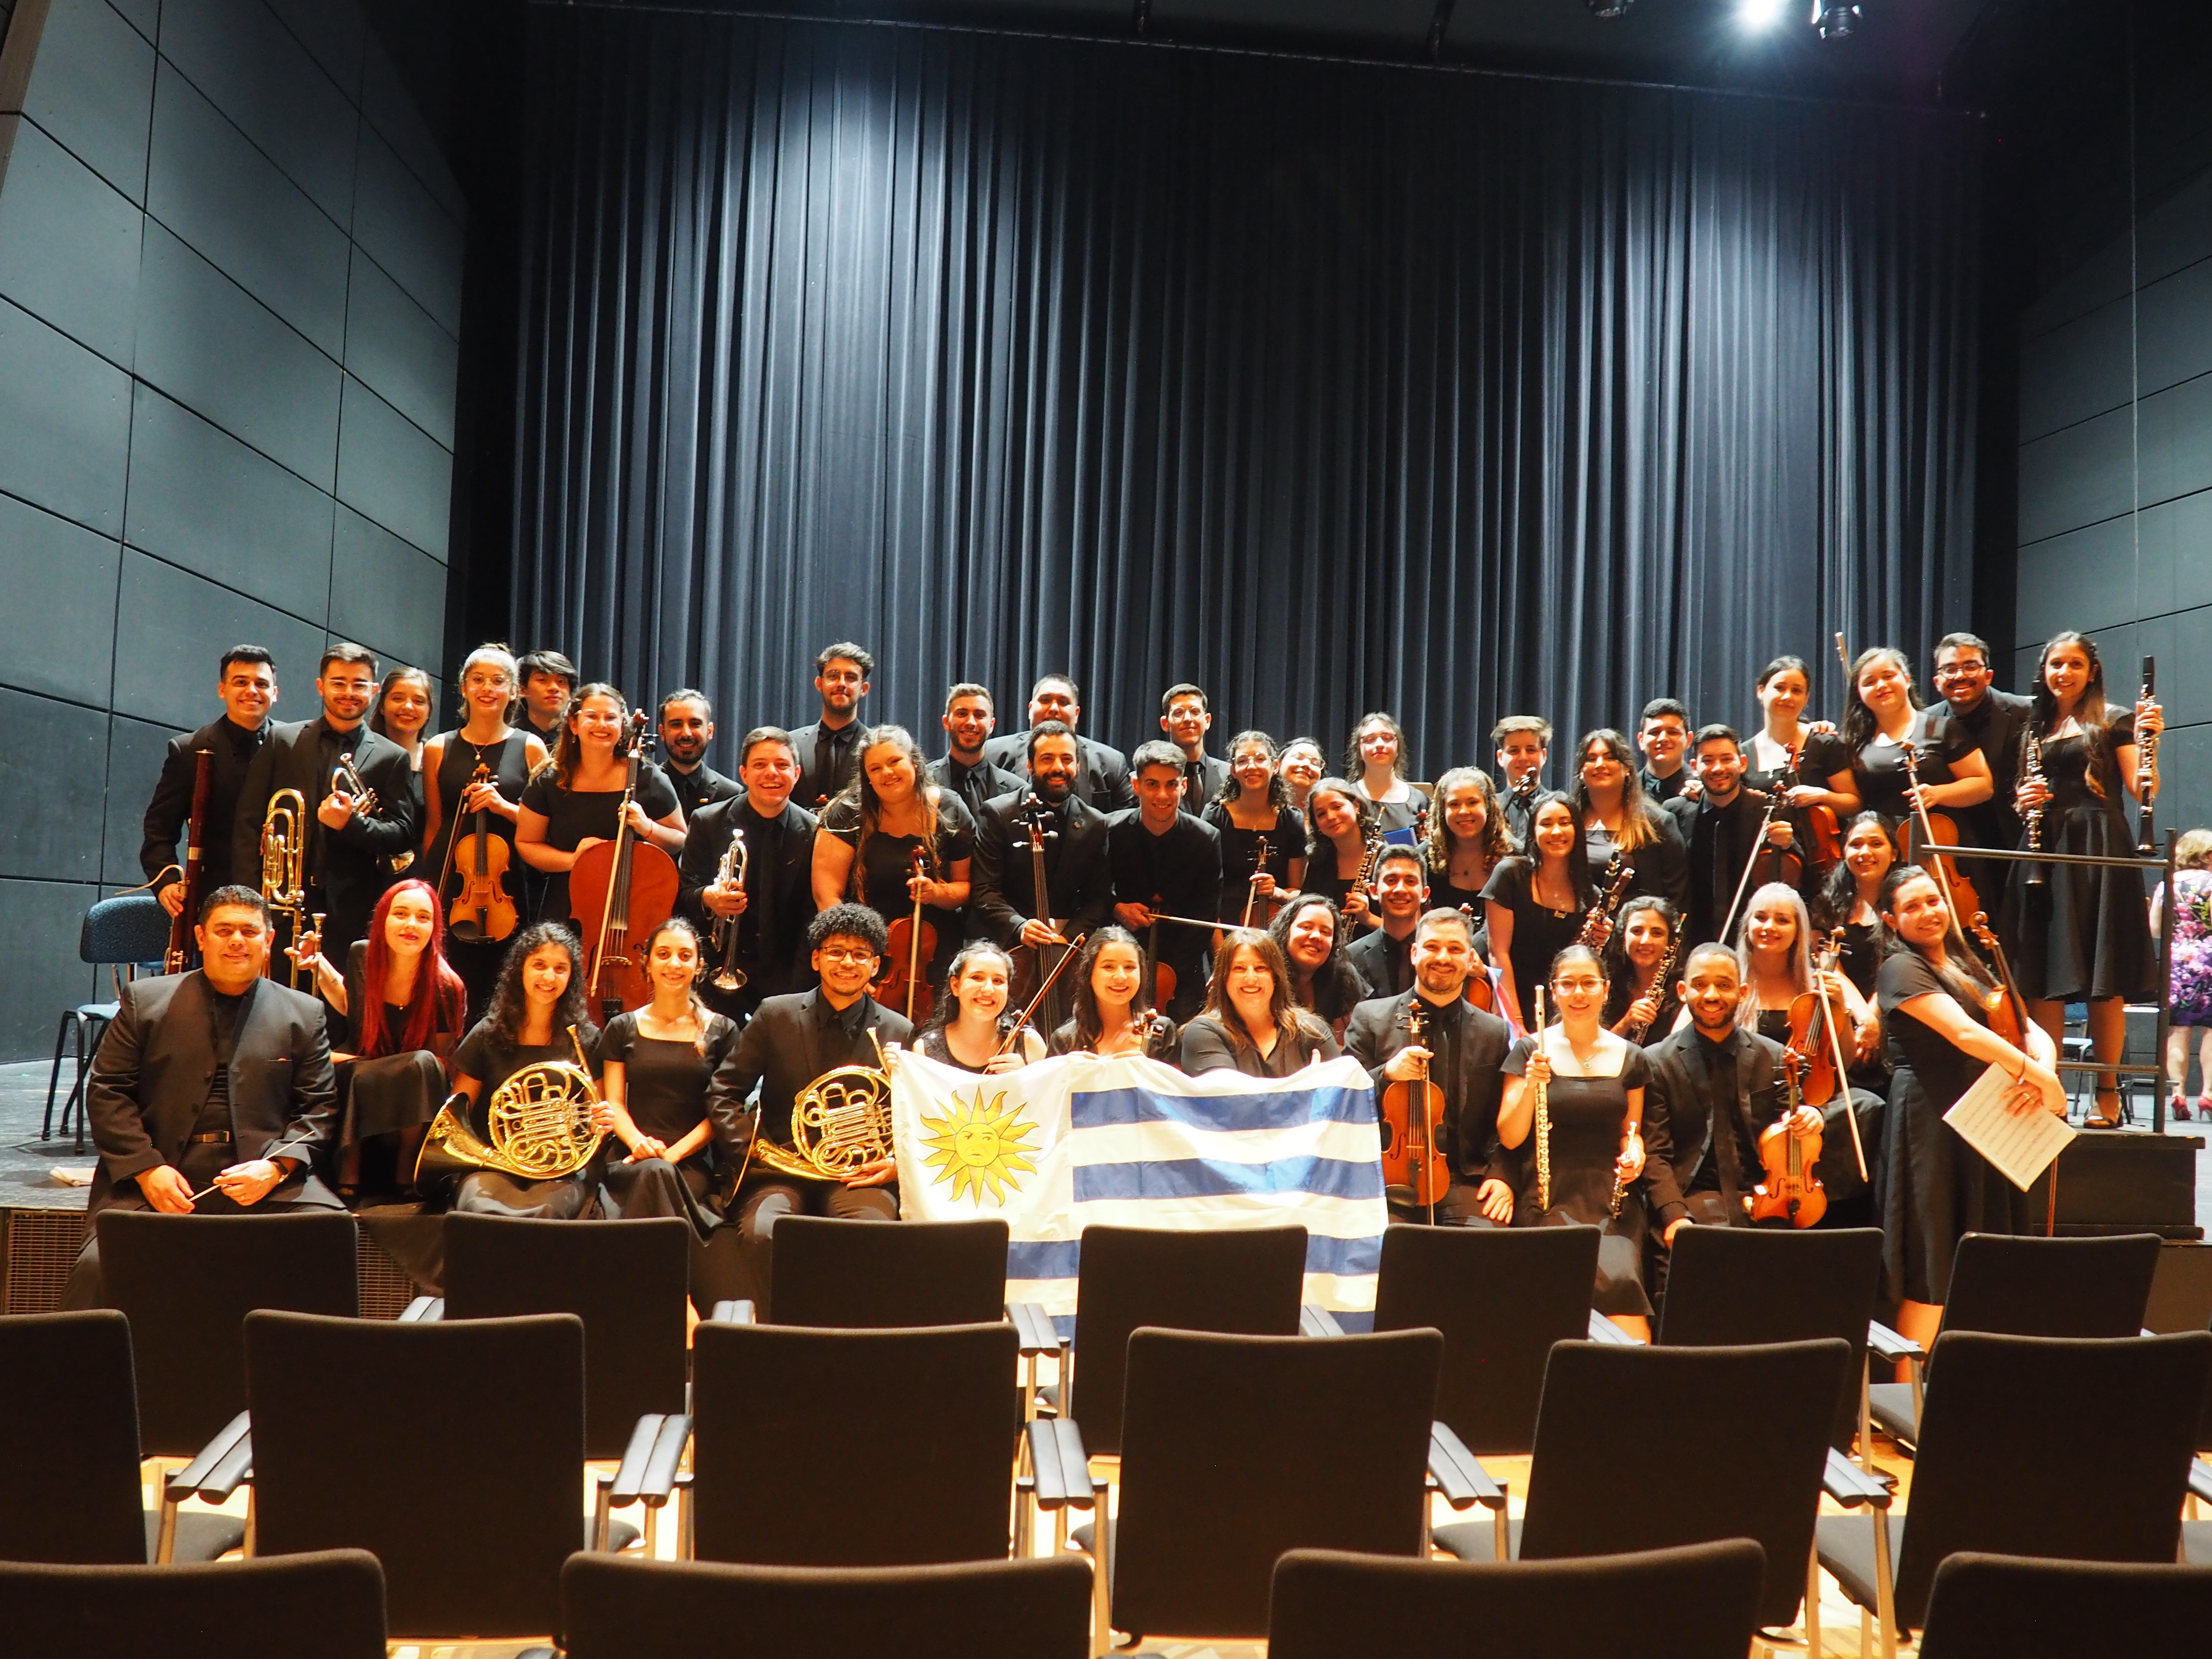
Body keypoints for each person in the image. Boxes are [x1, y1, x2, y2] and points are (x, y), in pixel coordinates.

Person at [62, 886, 344, 1308]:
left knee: (331, 1239)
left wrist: (276, 1168)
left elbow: (319, 1108)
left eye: (249, 932)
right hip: (158, 1177)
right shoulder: (144, 1001)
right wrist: (146, 1168)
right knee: (99, 1269)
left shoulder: (304, 1012)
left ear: (268, 940)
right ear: (200, 937)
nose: (236, 941)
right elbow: (108, 1091)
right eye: (224, 930)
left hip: (261, 1179)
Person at [1877, 865, 2064, 1352]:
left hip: (1984, 1118)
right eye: (1911, 907)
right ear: (1892, 920)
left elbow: (2027, 1026)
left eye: (1933, 901)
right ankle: (1907, 1405)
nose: (1927, 913)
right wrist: (2037, 1076)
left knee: (1987, 1260)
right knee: (1933, 1266)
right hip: (1931, 1120)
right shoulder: (1900, 968)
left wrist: (2045, 1069)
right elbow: (1963, 1033)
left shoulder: (1968, 963)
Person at [2004, 630, 2164, 1127]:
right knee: (2043, 979)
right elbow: (2020, 797)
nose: (2064, 673)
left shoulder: (2114, 719)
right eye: (2056, 664)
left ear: (2091, 671)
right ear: (2044, 670)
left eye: (2074, 664)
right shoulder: (2033, 729)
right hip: (2044, 852)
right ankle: (2048, 1093)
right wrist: (2022, 801)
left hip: (2097, 849)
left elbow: (2145, 790)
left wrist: (2150, 740)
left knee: (2103, 980)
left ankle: (2108, 1095)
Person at [703, 905, 916, 1268]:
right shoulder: (775, 1014)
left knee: (873, 1230)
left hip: (857, 1175)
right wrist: (752, 1149)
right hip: (780, 1170)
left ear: (876, 966)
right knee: (764, 1232)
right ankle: (769, 1325)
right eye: (836, 952)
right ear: (817, 959)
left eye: (860, 954)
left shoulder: (899, 1030)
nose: (848, 963)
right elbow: (724, 1091)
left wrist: (895, 1162)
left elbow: (914, 1116)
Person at [1493, 943, 1655, 1337]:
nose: (1578, 994)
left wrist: (1635, 1154)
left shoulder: (1632, 1057)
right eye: (1568, 984)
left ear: (1605, 988)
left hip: (1611, 1202)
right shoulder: (1530, 1049)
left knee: (1621, 1289)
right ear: (1554, 991)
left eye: (1588, 983)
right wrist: (1532, 1084)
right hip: (1548, 1196)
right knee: (1555, 1299)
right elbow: (1511, 1138)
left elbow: (1631, 1135)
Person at [230, 642, 420, 959]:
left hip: (351, 910)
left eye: (359, 684)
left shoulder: (392, 757)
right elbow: (248, 823)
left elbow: (402, 833)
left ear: (374, 690)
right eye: (338, 683)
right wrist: (252, 900)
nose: (349, 692)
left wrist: (351, 823)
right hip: (282, 902)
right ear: (321, 686)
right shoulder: (283, 740)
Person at [292, 878, 467, 1196]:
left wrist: (386, 1067)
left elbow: (442, 1063)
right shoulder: (362, 955)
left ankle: (407, 1171)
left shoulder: (446, 987)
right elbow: (351, 1004)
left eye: (423, 917)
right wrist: (318, 965)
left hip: (409, 1086)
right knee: (353, 1071)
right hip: (359, 1065)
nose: (411, 924)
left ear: (435, 928)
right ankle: (348, 1173)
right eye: (401, 914)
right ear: (384, 919)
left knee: (422, 1066)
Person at [1345, 907, 1515, 1226]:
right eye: (1432, 947)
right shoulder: (1371, 1018)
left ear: (1469, 959)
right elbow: (1342, 1100)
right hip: (1386, 1176)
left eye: (1455, 949)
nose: (1443, 958)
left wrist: (1503, 1175)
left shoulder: (1494, 1031)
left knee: (1486, 1247)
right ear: (1414, 953)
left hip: (1463, 1178)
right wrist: (1386, 1075)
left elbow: (1501, 1119)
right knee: (1384, 1248)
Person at [1639, 944, 1815, 1245]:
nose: (1711, 996)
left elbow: (1792, 1126)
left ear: (1743, 993)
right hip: (1691, 1201)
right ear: (1682, 991)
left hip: (1764, 1197)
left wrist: (1812, 1117)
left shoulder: (1774, 1058)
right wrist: (1674, 1214)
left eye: (1724, 986)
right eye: (1700, 985)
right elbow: (1655, 1153)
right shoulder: (1656, 1062)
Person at [419, 645, 551, 1013]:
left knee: (504, 982)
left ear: (513, 691)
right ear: (463, 688)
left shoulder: (531, 747)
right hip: (452, 877)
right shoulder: (438, 748)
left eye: (498, 681)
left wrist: (504, 807)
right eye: (477, 680)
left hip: (508, 884)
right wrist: (432, 887)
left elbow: (545, 826)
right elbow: (435, 823)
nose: (487, 688)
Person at [595, 918, 744, 1237]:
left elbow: (722, 1111)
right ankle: (672, 1284)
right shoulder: (621, 1027)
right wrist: (639, 1144)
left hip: (690, 1164)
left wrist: (672, 1155)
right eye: (663, 954)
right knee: (654, 1173)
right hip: (629, 1156)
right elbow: (615, 1104)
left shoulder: (723, 1030)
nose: (674, 964)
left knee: (659, 1174)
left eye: (685, 955)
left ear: (699, 965)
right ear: (647, 963)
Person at [443, 923, 602, 1220]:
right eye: (539, 965)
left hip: (561, 1170)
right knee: (480, 1209)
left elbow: (596, 1118)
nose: (548, 977)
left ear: (571, 976)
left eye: (560, 968)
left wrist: (600, 1122)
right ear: (521, 970)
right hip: (494, 1163)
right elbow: (457, 1116)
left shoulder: (586, 1039)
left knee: (548, 1212)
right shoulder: (488, 1034)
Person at [971, 722, 1116, 1030]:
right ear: (1030, 765)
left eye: (1066, 759)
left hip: (1066, 948)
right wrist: (1020, 928)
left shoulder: (1095, 824)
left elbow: (1099, 898)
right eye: (1047, 759)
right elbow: (985, 890)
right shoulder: (998, 814)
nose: (1058, 767)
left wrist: (1068, 939)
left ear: (1078, 764)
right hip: (1008, 945)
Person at [812, 725, 975, 994]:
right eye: (875, 769)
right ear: (867, 778)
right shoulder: (847, 813)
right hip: (865, 948)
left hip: (933, 955)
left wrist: (936, 893)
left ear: (914, 761)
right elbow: (828, 897)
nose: (886, 773)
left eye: (894, 761)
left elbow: (964, 887)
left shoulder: (951, 809)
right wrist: (851, 960)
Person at [677, 727, 819, 1018]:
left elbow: (812, 913)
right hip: (716, 973)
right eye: (760, 765)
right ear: (743, 773)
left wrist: (799, 987)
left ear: (796, 774)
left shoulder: (815, 831)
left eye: (782, 765)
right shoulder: (707, 821)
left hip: (787, 977)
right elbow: (682, 894)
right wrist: (709, 897)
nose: (771, 773)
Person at [514, 683, 685, 923]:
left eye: (610, 718)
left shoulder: (647, 777)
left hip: (633, 904)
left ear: (622, 726)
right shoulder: (550, 781)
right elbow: (527, 843)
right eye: (592, 717)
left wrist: (648, 828)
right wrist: (573, 861)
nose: (602, 725)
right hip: (568, 904)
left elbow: (679, 839)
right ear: (574, 725)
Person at [143, 645, 278, 920]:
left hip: (278, 899)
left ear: (275, 693)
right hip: (213, 897)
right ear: (222, 690)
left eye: (261, 684)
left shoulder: (293, 746)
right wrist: (166, 880)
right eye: (241, 682)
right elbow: (159, 828)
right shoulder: (190, 749)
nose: (252, 690)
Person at [1834, 646, 1992, 856]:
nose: (1881, 685)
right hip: (1883, 854)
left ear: (1907, 679)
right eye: (1869, 682)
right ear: (1860, 694)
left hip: (1941, 845)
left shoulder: (1942, 729)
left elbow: (1983, 785)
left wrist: (1937, 794)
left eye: (1888, 676)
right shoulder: (1854, 743)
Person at [1107, 741, 1222, 1021]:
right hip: (1120, 956)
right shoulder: (1110, 830)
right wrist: (1116, 908)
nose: (1163, 795)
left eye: (1172, 785)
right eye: (1152, 785)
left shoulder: (1206, 839)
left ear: (1183, 786)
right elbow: (1092, 893)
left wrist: (1169, 972)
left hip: (1182, 966)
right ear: (1136, 785)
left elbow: (1205, 916)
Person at [1666, 724, 1797, 947]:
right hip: (1691, 942)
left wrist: (1787, 844)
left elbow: (1799, 868)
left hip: (1756, 942)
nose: (1718, 768)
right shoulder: (1675, 812)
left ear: (1743, 763)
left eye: (1727, 759)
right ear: (1695, 767)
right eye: (1708, 761)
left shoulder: (1769, 810)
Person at [1483, 792, 1596, 1037]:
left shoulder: (1590, 895)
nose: (1556, 832)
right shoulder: (1511, 875)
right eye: (1546, 824)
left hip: (1560, 1010)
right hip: (1507, 1004)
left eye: (1565, 823)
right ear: (1533, 832)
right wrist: (1515, 1024)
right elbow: (1497, 953)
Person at [1178, 929, 1342, 1077]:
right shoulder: (1202, 1032)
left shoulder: (1313, 1030)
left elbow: (1341, 1096)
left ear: (1275, 977)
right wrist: (1306, 1087)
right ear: (1224, 979)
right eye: (1239, 969)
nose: (1251, 978)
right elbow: (1232, 1100)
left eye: (1261, 968)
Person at [1932, 631, 2033, 864]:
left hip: (2015, 844)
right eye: (1950, 669)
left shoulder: (2026, 713)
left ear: (1988, 676)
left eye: (1970, 667)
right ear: (1937, 682)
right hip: (1953, 845)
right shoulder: (1926, 722)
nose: (1960, 676)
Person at [1570, 728, 1688, 914]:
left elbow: (1677, 899)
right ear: (1581, 774)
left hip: (1636, 937)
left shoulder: (1657, 823)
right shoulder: (1567, 822)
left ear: (1627, 769)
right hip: (1577, 936)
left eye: (1610, 758)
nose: (1600, 764)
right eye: (1591, 759)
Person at [980, 673, 1134, 812]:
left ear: (1077, 714)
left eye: (1063, 702)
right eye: (1045, 700)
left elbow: (1125, 826)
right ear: (1030, 709)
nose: (1054, 708)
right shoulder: (991, 754)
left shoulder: (1112, 763)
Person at [1203, 730, 1306, 929]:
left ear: (1275, 766)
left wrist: (1277, 893)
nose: (1251, 766)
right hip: (1222, 927)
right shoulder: (1215, 816)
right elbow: (1205, 891)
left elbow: (1298, 892)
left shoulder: (1292, 820)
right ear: (1233, 770)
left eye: (1260, 759)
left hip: (1274, 928)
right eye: (1243, 761)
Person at [912, 941, 1047, 1071]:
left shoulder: (1030, 1044)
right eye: (977, 978)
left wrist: (1026, 1079)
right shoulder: (925, 1051)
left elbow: (1050, 1094)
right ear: (956, 986)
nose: (989, 989)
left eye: (998, 981)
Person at [1048, 926, 1180, 1060]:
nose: (1121, 977)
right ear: (1089, 973)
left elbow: (1172, 1081)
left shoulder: (1164, 1032)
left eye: (1130, 967)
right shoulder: (1064, 1040)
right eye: (1109, 967)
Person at [1808, 811, 1899, 998]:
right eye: (1856, 845)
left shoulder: (1907, 904)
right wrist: (1862, 1016)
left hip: (1900, 1004)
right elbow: (1832, 970)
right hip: (1846, 1008)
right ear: (1844, 853)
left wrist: (1872, 1018)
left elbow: (1899, 971)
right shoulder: (1826, 905)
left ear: (1894, 854)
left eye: (1876, 844)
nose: (1865, 853)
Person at [2154, 830, 2212, 1121]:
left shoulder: (2167, 884)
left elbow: (2155, 929)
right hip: (2210, 958)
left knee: (2178, 1030)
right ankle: (2208, 1094)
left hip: (2176, 961)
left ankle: (2177, 1092)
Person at [1745, 654, 1853, 803]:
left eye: (1796, 691)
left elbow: (1854, 804)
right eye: (1779, 688)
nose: (1787, 697)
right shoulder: (1743, 753)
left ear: (1806, 698)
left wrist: (1823, 795)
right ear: (1761, 691)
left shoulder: (1824, 744)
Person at [1269, 894, 1368, 1042]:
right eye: (1306, 927)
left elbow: (1346, 1044)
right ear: (1285, 931)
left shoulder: (1342, 976)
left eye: (1326, 932)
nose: (1316, 936)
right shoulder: (1265, 975)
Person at [792, 641, 875, 811]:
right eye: (833, 676)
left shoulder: (877, 749)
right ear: (819, 684)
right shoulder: (791, 744)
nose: (841, 683)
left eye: (851, 678)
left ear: (864, 689)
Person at [1422, 766, 1512, 922]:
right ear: (1442, 811)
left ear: (1489, 806)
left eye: (1472, 803)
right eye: (1454, 804)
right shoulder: (1424, 858)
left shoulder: (1515, 856)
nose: (1463, 812)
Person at [926, 683, 1023, 819]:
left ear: (991, 725)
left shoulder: (1017, 790)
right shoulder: (923, 782)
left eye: (979, 715)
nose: (971, 722)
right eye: (962, 714)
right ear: (946, 722)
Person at [1346, 844, 1427, 999]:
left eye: (1410, 881)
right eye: (1391, 880)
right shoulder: (1351, 957)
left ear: (1425, 893)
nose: (1400, 890)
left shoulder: (1441, 953)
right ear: (1374, 891)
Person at [1302, 777, 1379, 929]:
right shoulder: (1319, 863)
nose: (1330, 817)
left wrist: (1368, 918)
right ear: (1317, 825)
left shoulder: (1387, 859)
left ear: (1356, 806)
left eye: (1337, 807)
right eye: (1321, 814)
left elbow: (1409, 932)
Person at [1601, 896, 1683, 1041]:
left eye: (1657, 933)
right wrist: (1627, 1022)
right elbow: (1596, 1053)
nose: (1646, 941)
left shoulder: (1683, 992)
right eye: (1637, 931)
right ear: (1623, 938)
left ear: (1670, 941)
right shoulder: (1606, 988)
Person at [658, 688, 742, 820]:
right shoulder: (646, 787)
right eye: (676, 725)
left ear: (710, 731)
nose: (686, 733)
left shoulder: (731, 794)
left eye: (695, 724)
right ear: (662, 733)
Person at [1345, 711, 1424, 834]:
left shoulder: (1420, 800)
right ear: (1359, 751)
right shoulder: (1346, 799)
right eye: (1370, 740)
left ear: (1398, 749)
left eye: (1387, 738)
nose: (1380, 745)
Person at [1160, 683, 1230, 803]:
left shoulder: (1230, 775)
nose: (1188, 719)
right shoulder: (1149, 778)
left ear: (1207, 721)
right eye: (1178, 713)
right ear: (1165, 723)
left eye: (1195, 712)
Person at [1491, 715, 1552, 850]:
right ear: (1500, 758)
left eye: (1531, 750)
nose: (1523, 757)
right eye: (1514, 750)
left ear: (1544, 756)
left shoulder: (1558, 807)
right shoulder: (1489, 808)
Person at [369, 667, 434, 769]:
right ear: (382, 706)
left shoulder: (438, 759)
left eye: (418, 701)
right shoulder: (362, 754)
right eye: (398, 699)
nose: (408, 707)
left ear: (429, 711)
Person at [514, 649, 578, 748]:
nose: (554, 688)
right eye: (542, 680)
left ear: (570, 693)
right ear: (522, 690)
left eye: (561, 681)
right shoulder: (509, 736)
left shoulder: (580, 737)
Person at [1635, 698, 1693, 803]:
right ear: (1641, 740)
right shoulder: (1625, 791)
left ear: (1689, 740)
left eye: (1673, 732)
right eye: (1655, 733)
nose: (1663, 739)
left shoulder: (1703, 790)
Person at [1277, 737, 1327, 817]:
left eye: (1315, 763)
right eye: (1298, 758)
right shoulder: (1260, 808)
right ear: (1278, 764)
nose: (1306, 764)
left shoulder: (1327, 817)